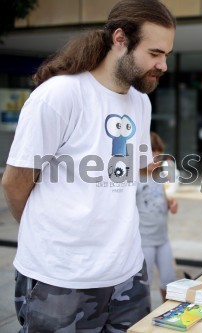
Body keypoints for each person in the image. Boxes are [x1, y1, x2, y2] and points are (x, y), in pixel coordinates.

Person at [1, 0, 176, 331]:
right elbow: (14, 182)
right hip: (60, 279)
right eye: (155, 53)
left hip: (128, 275)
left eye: (166, 54)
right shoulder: (60, 95)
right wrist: (44, 232)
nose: (163, 64)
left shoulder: (140, 102)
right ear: (121, 39)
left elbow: (127, 169)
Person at [137, 131, 178, 302]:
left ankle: (168, 313)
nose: (155, 159)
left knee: (169, 282)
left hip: (162, 239)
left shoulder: (162, 178)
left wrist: (173, 204)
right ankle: (142, 318)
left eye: (158, 155)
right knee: (143, 284)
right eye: (150, 155)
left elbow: (170, 203)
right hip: (144, 241)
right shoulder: (135, 180)